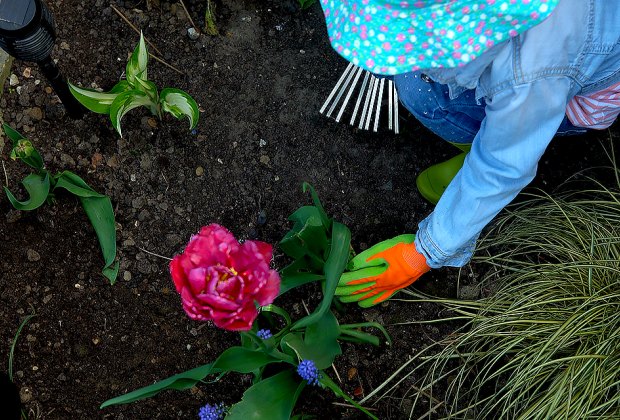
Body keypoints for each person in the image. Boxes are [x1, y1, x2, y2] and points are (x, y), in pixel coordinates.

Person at [318, 0, 620, 307]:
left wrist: (423, 253)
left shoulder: (530, 71)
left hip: (582, 96)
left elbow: (502, 166)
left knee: (419, 90)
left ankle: (469, 154)